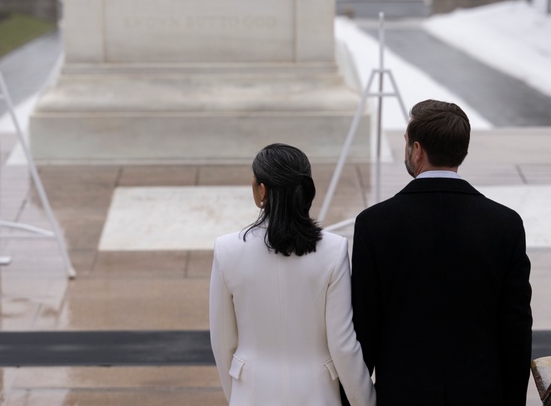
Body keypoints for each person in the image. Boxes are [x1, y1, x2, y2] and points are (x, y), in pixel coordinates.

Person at [351, 99, 533, 406]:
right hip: (481, 395)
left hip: (402, 395)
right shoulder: (505, 224)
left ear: (418, 150)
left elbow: (364, 329)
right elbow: (515, 330)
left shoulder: (375, 224)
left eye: (407, 142)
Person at [210, 143, 377, 406]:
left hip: (251, 395)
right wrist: (364, 400)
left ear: (261, 190)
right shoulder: (333, 250)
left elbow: (222, 343)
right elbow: (343, 344)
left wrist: (238, 395)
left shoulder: (227, 250)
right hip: (318, 395)